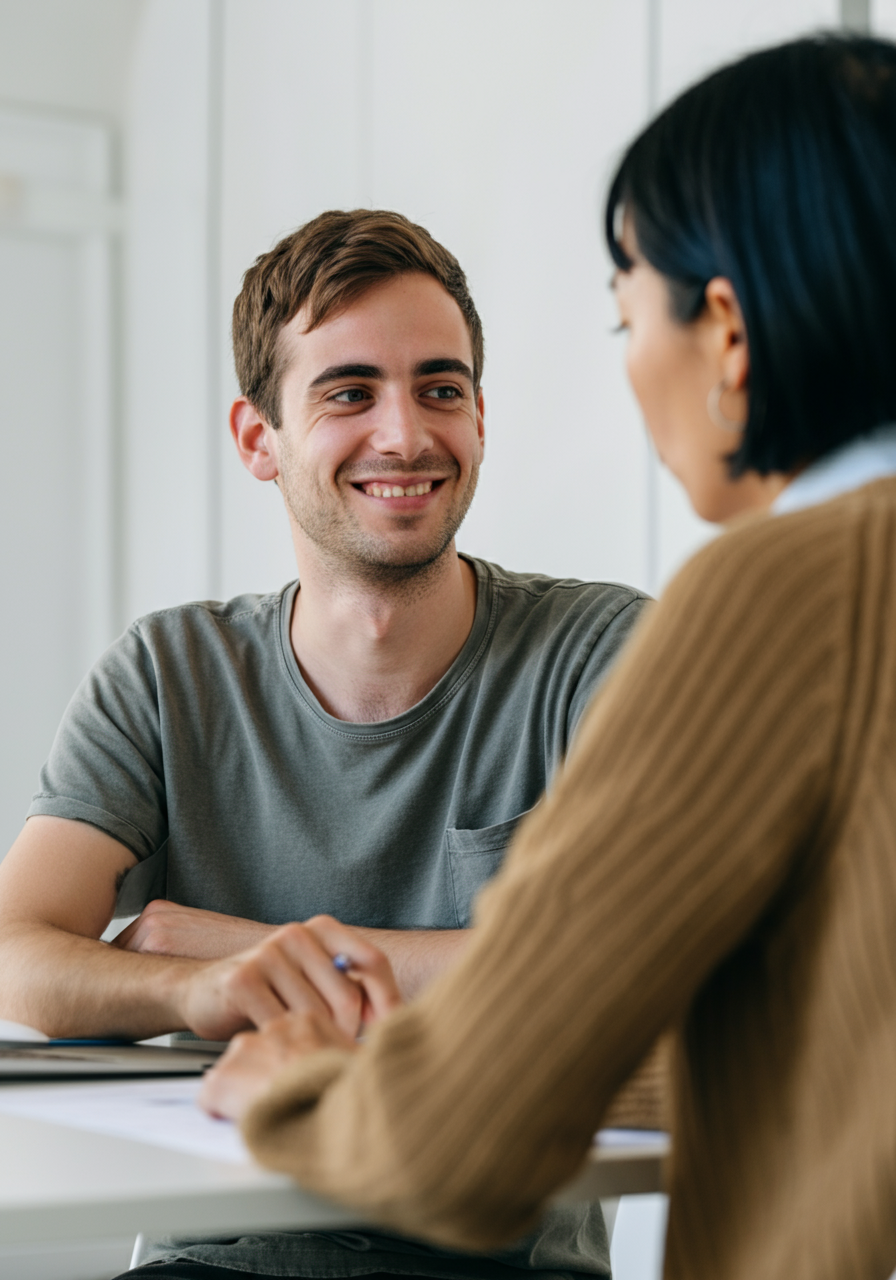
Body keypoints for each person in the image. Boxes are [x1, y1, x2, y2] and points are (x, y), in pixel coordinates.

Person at [198, 33, 896, 1280]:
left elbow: (470, 1140)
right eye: (348, 392)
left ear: (725, 331)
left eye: (626, 314)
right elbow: (823, 1027)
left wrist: (301, 1090)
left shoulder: (786, 592)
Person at [0, 211, 649, 1278]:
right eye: (349, 392)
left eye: (440, 389)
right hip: (220, 1264)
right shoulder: (167, 672)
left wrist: (232, 949)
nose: (404, 435)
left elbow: (625, 968)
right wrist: (192, 991)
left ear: (480, 417)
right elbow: (16, 950)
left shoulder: (605, 654)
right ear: (258, 438)